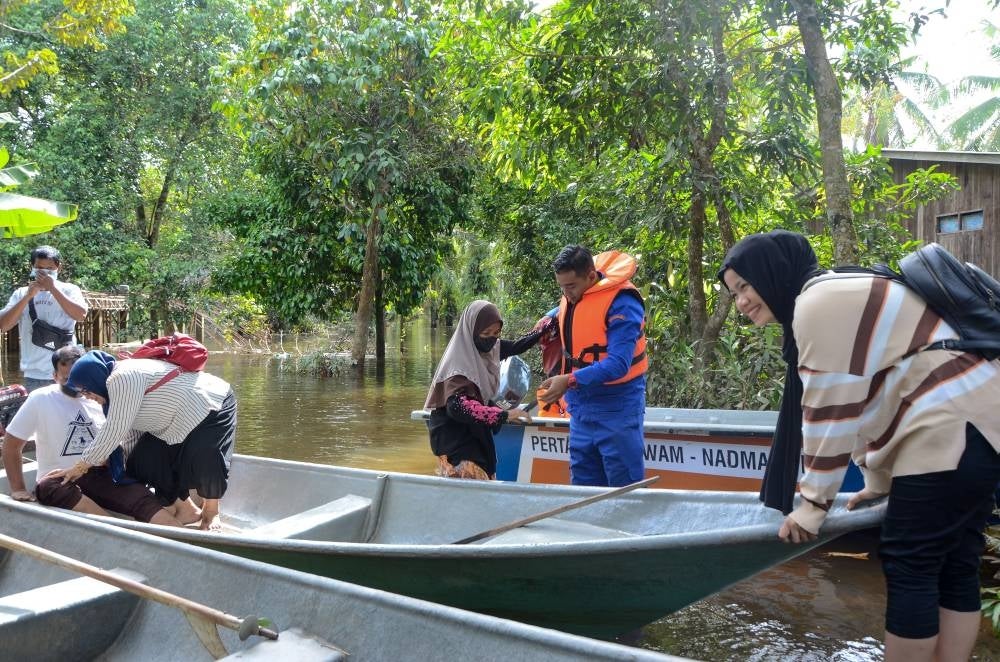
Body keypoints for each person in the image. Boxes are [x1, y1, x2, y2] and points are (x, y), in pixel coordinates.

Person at [718, 229, 1000, 662]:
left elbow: (831, 412)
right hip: (980, 425)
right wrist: (879, 480)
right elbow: (878, 394)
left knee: (912, 565)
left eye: (744, 286)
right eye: (734, 293)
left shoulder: (815, 304)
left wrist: (812, 506)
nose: (741, 302)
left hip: (948, 427)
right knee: (956, 563)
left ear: (771, 273)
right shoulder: (833, 289)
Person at [49, 350, 237, 531]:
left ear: (94, 380)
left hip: (212, 404)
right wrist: (120, 468)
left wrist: (80, 467)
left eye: (86, 391)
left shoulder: (121, 378)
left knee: (205, 452)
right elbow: (130, 435)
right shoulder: (113, 392)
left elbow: (114, 429)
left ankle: (211, 511)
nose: (88, 398)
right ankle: (185, 510)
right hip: (175, 418)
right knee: (143, 460)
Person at [2, 345, 184, 526]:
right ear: (55, 376)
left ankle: (183, 538)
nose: (77, 387)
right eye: (68, 379)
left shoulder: (102, 397)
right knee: (49, 486)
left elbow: (119, 439)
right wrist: (18, 489)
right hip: (59, 480)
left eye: (81, 381)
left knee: (141, 496)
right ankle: (116, 529)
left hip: (100, 475)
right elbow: (11, 444)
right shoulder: (40, 398)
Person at [537, 246, 648, 487]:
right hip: (581, 408)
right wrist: (549, 318)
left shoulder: (624, 305)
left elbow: (618, 364)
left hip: (617, 408)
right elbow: (570, 310)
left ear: (590, 276)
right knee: (583, 488)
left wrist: (568, 381)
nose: (567, 294)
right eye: (562, 288)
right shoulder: (575, 294)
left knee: (624, 489)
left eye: (571, 286)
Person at [425, 300, 543, 480]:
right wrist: (503, 414)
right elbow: (458, 407)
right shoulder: (458, 366)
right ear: (471, 330)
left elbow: (518, 345)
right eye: (485, 333)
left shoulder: (490, 350)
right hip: (456, 443)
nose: (491, 339)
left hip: (474, 436)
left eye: (496, 333)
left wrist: (546, 327)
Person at [0, 245, 88, 392]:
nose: (45, 273)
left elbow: (80, 315)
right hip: (34, 375)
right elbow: (3, 325)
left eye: (50, 269)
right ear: (33, 267)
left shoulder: (70, 289)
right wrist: (28, 296)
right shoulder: (21, 293)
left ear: (58, 267)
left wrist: (53, 288)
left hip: (66, 371)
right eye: (40, 268)